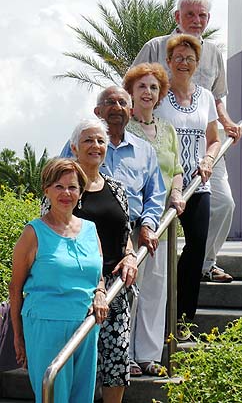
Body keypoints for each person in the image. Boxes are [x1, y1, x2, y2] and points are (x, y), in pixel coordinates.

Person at [133, 0, 242, 282]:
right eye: (190, 14)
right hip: (161, 145)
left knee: (224, 203)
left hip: (204, 140)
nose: (196, 20)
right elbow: (132, 86)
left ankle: (205, 263)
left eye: (202, 15)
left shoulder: (214, 52)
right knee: (154, 213)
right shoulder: (155, 47)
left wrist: (228, 122)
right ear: (177, 17)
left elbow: (217, 97)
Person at [61, 88, 166, 378]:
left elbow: (156, 193)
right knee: (80, 348)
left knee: (125, 317)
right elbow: (56, 191)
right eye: (109, 102)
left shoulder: (144, 151)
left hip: (126, 241)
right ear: (98, 111)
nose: (116, 107)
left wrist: (145, 227)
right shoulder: (74, 152)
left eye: (122, 102)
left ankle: (134, 357)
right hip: (77, 262)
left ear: (131, 111)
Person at [9, 158, 109, 403]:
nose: (66, 193)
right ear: (46, 191)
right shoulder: (33, 232)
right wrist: (18, 336)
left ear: (81, 192)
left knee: (83, 398)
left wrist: (100, 291)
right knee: (54, 397)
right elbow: (15, 287)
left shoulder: (90, 229)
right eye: (59, 186)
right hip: (46, 325)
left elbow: (98, 275)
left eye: (72, 187)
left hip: (86, 327)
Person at [154, 33, 221, 339]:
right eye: (178, 58)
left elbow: (214, 139)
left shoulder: (206, 97)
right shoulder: (157, 94)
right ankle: (155, 320)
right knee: (155, 253)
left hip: (196, 185)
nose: (183, 63)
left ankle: (182, 320)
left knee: (195, 248)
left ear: (197, 64)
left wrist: (208, 160)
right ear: (168, 62)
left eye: (189, 58)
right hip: (162, 184)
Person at [70, 119, 138, 403]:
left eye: (100, 140)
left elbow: (126, 232)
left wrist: (131, 254)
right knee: (77, 362)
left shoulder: (117, 188)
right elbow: (52, 232)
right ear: (74, 147)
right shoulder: (65, 188)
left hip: (115, 289)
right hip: (78, 286)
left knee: (117, 362)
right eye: (88, 140)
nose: (95, 146)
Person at [123, 62, 185, 367]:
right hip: (132, 218)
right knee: (131, 285)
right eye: (142, 87)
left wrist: (177, 192)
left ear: (160, 94)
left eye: (154, 87)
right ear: (131, 92)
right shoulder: (124, 128)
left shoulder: (167, 129)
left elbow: (176, 170)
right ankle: (127, 356)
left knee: (156, 287)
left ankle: (147, 356)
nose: (148, 92)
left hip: (162, 221)